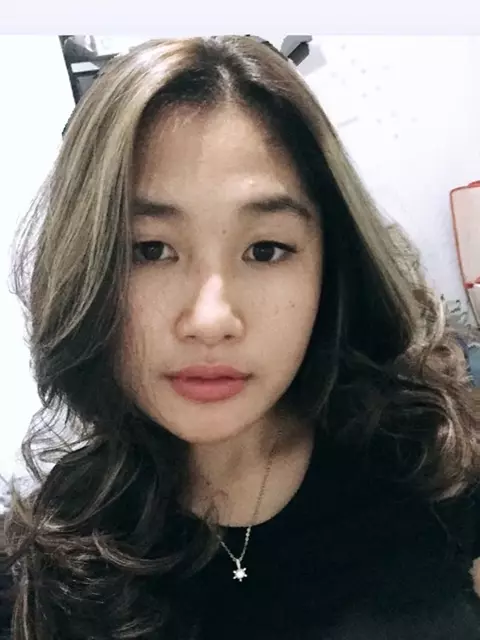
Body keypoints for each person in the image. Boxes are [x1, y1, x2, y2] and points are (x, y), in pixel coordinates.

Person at [1, 35, 480, 640]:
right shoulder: (41, 578)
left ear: (329, 267)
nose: (210, 319)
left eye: (266, 249)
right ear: (85, 269)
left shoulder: (436, 459)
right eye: (150, 250)